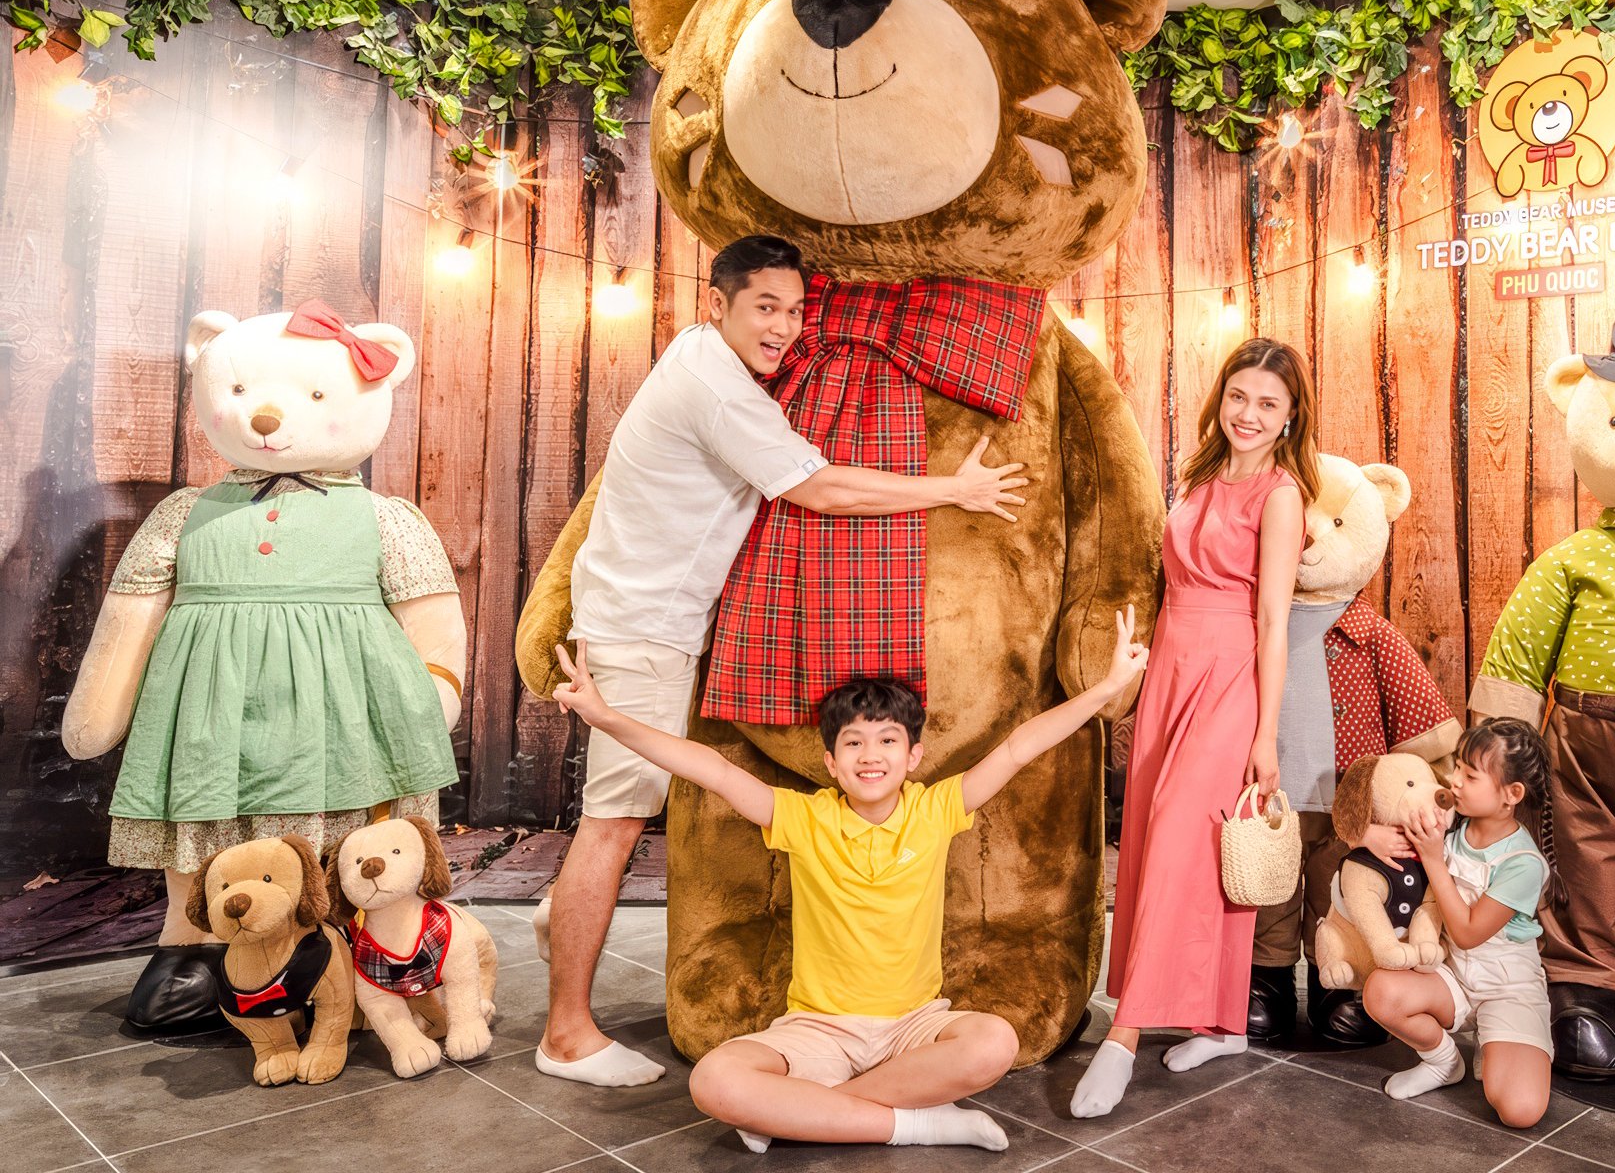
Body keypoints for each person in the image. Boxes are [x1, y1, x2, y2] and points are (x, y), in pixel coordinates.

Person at [534, 234, 1029, 1088]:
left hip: (652, 619)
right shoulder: (716, 389)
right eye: (766, 306)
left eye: (796, 311)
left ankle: (563, 916)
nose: (785, 327)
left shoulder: (704, 361)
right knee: (612, 824)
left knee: (621, 817)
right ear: (716, 303)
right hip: (641, 628)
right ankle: (566, 1034)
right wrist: (955, 489)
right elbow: (821, 488)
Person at [546, 605, 1150, 1151]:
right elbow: (710, 769)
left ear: (913, 756)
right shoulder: (803, 818)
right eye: (853, 742)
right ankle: (918, 1123)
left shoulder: (937, 808)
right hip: (818, 1032)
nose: (871, 754)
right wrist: (606, 717)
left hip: (915, 1027)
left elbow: (1019, 747)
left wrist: (1107, 688)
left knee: (995, 1042)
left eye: (888, 740)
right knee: (714, 1081)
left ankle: (804, 1114)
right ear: (831, 763)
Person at [1070, 337, 1316, 1119]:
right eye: (1239, 396)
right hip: (1171, 671)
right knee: (1160, 841)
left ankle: (1124, 1036)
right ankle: (1223, 1021)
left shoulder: (1281, 496)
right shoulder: (1199, 475)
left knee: (1183, 839)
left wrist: (1265, 734)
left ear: (1290, 417)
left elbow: (1273, 621)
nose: (1249, 414)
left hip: (1228, 678)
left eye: (1268, 404)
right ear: (1222, 399)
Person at [1363, 717, 1563, 1129]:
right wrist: (1368, 835)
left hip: (1507, 989)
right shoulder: (1451, 823)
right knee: (1381, 992)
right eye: (1457, 767)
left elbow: (1468, 933)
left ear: (1512, 794)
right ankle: (1443, 1062)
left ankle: (1501, 1042)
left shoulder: (1523, 863)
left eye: (1470, 776)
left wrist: (1433, 858)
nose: (1454, 781)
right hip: (1451, 976)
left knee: (1520, 1111)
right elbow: (1385, 816)